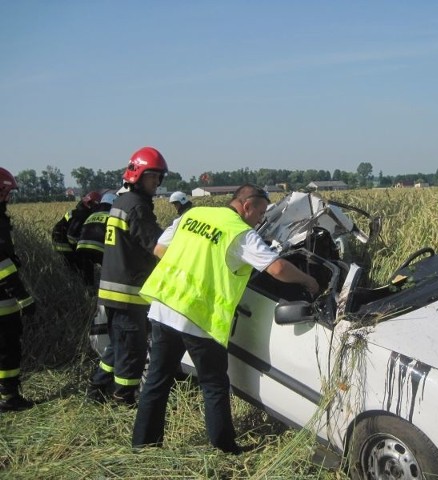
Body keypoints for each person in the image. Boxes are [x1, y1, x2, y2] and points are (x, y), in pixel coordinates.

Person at [132, 184, 320, 453]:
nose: (260, 219)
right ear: (247, 206)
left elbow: (160, 249)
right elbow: (277, 268)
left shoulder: (193, 216)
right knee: (214, 384)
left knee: (157, 380)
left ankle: (143, 445)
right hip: (198, 318)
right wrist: (308, 280)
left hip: (165, 307)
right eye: (260, 212)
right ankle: (225, 447)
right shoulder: (240, 234)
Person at [87, 147, 168, 406]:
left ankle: (97, 389)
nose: (156, 182)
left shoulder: (121, 202)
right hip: (128, 294)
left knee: (118, 347)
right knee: (132, 351)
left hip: (113, 292)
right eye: (152, 177)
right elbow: (156, 246)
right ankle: (123, 399)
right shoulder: (137, 207)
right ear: (138, 175)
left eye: (158, 177)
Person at [0, 168, 36, 412]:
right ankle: (9, 397)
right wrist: (23, 297)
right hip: (2, 303)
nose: (9, 198)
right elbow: (2, 265)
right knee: (7, 350)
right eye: (7, 192)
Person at [52, 190, 101, 284]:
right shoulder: (81, 215)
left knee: (80, 264)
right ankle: (84, 287)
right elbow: (71, 236)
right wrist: (83, 245)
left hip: (62, 239)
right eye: (96, 206)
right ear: (90, 204)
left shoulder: (81, 211)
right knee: (82, 262)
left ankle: (81, 285)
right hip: (62, 242)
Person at [76, 192, 118, 287]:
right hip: (98, 247)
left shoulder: (93, 214)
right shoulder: (111, 215)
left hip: (81, 246)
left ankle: (88, 292)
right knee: (109, 271)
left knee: (87, 276)